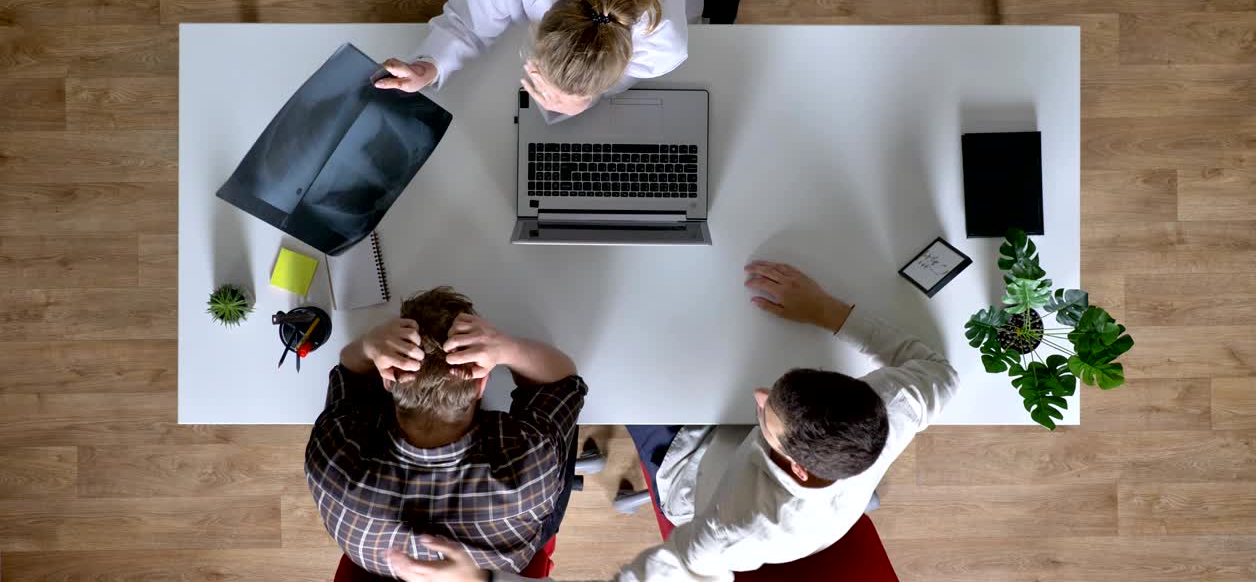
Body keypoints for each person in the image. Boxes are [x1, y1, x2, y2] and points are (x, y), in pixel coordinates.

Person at [380, 261, 958, 582]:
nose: (758, 396)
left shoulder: (729, 532)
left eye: (768, 413)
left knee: (622, 371)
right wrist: (828, 312)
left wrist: (478, 581)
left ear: (798, 469)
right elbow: (938, 368)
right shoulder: (893, 407)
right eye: (779, 390)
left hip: (692, 472)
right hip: (786, 482)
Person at [304, 286, 587, 577]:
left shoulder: (330, 462)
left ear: (387, 380)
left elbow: (348, 373)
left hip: (381, 559)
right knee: (554, 435)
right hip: (498, 562)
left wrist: (367, 346)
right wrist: (507, 349)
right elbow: (564, 383)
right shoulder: (531, 465)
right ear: (481, 384)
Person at [375, 0, 702, 121]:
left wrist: (584, 102)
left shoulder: (665, 45)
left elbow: (618, 76)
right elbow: (469, 20)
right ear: (542, 25)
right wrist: (430, 65)